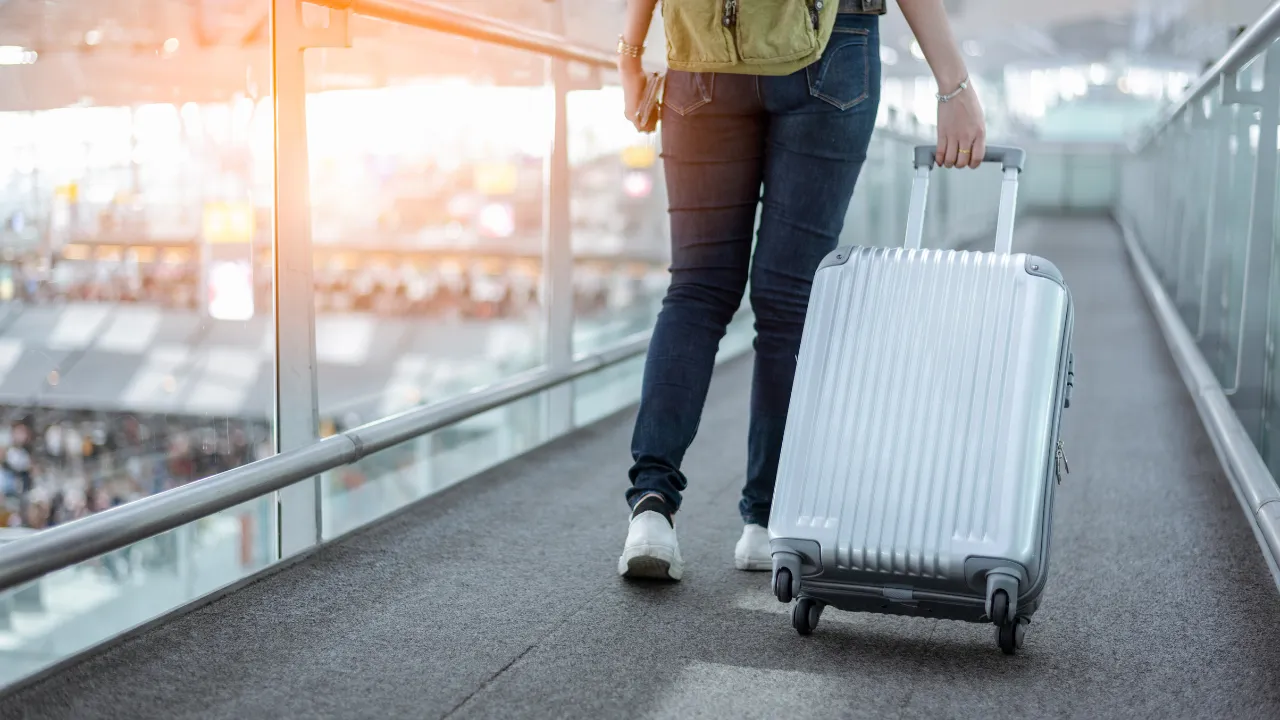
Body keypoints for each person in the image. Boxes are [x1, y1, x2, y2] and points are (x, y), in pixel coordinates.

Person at [616, 0, 988, 581]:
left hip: (703, 48)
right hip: (830, 45)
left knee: (697, 287)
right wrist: (954, 84)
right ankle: (767, 521)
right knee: (789, 300)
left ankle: (652, 510)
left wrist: (631, 53)